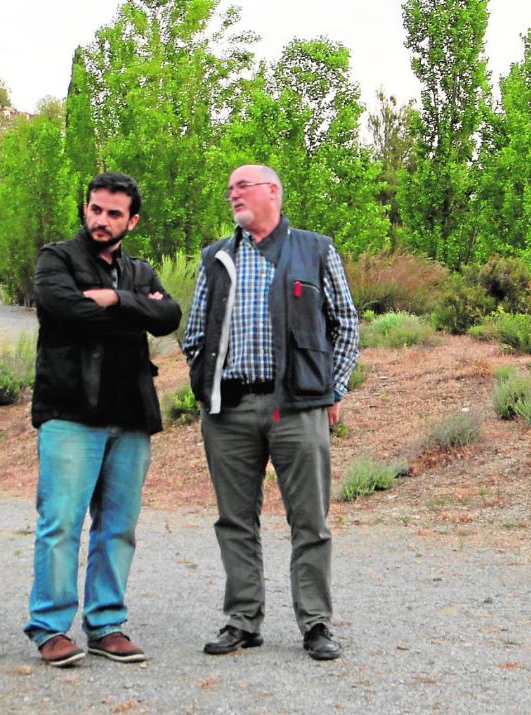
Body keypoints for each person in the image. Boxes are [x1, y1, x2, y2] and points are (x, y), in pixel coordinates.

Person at [182, 164, 359, 661]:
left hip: (298, 408)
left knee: (310, 522)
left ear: (273, 192)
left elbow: (345, 325)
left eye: (243, 186)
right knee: (234, 521)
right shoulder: (215, 257)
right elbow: (194, 335)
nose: (233, 194)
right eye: (229, 188)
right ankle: (243, 620)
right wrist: (206, 384)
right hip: (229, 411)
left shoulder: (315, 249)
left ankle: (316, 624)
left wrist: (332, 389)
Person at [25, 172, 181, 667]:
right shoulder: (57, 258)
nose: (101, 220)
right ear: (86, 209)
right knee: (61, 524)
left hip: (130, 415)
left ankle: (106, 624)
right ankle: (50, 629)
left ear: (131, 221)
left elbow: (169, 316)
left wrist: (115, 299)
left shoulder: (139, 271)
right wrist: (137, 313)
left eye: (114, 213)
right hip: (71, 411)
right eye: (95, 209)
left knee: (118, 526)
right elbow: (63, 310)